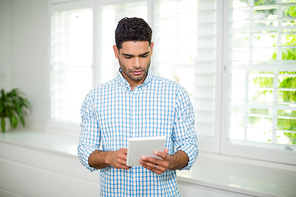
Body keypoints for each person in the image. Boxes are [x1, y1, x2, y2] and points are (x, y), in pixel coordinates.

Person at [78, 17, 198, 197]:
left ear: (152, 48)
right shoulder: (95, 98)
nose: (137, 64)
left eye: (144, 55)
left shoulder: (176, 94)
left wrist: (171, 161)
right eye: (128, 56)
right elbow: (85, 151)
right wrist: (107, 157)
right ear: (115, 51)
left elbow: (189, 145)